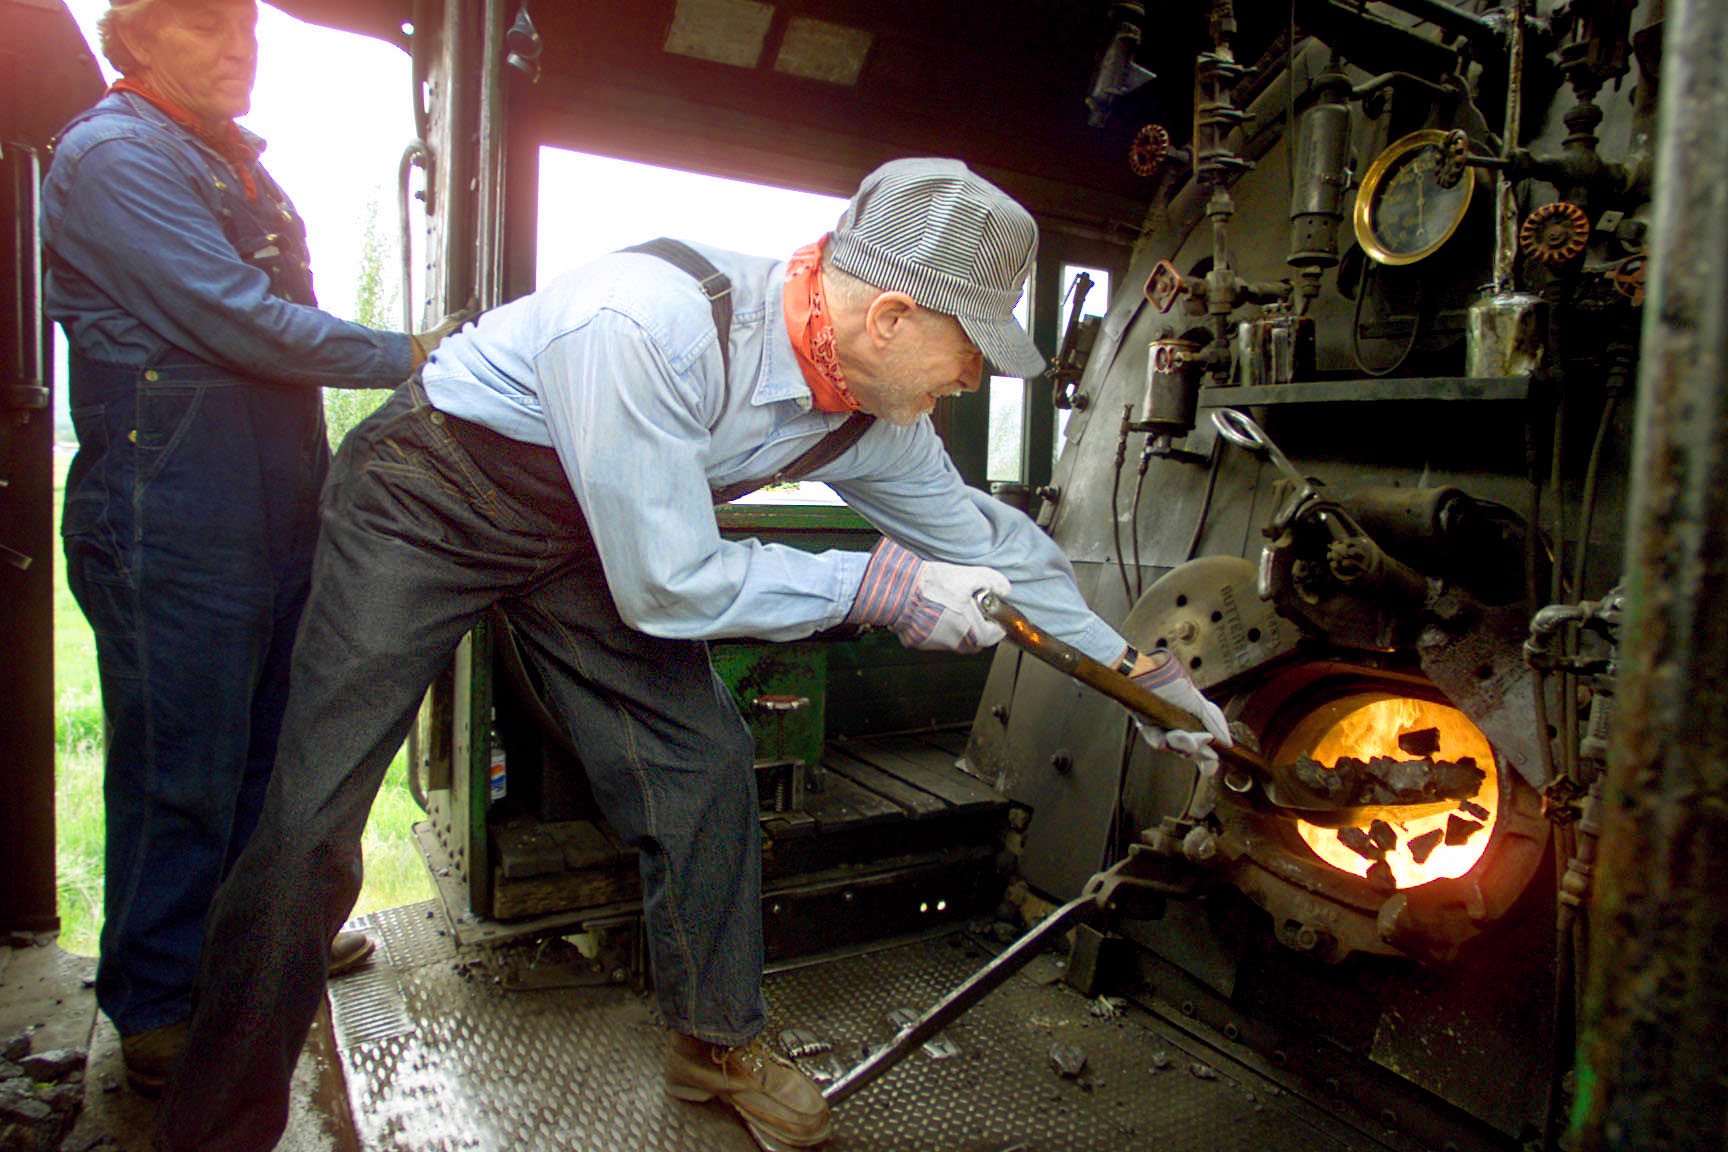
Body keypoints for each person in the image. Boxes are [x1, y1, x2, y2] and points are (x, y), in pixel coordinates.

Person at [151, 157, 1231, 1150]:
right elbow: (666, 582)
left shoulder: (870, 415)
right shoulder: (648, 322)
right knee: (314, 809)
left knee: (700, 763)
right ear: (894, 316)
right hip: (431, 493)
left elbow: (995, 545)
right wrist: (874, 585)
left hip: (588, 532)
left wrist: (1137, 684)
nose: (969, 383)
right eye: (972, 355)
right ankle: (218, 1120)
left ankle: (713, 1046)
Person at [40, 0, 457, 1097]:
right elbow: (239, 321)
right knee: (184, 768)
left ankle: (264, 945)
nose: (237, 50)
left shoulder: (235, 165)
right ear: (132, 40)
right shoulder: (113, 157)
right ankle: (162, 1003)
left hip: (274, 503)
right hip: (171, 511)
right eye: (203, 29)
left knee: (280, 751)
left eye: (247, 30)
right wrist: (416, 353)